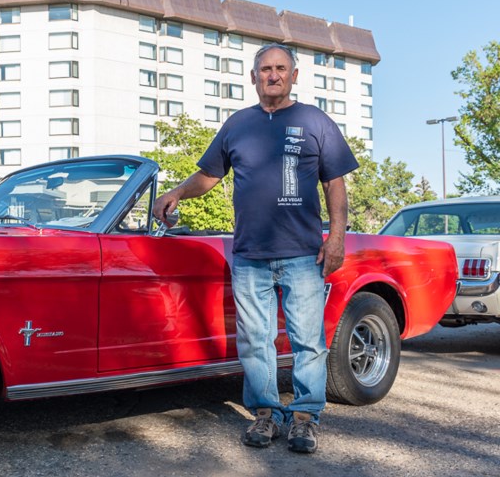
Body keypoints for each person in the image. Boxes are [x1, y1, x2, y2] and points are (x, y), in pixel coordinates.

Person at [152, 43, 359, 454]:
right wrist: (177, 192)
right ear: (253, 77)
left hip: (302, 253)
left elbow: (335, 183)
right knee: (256, 340)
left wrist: (336, 238)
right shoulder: (237, 125)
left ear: (294, 75)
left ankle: (304, 418)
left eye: (281, 68)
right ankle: (265, 414)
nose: (273, 75)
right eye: (265, 69)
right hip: (250, 255)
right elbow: (210, 175)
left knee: (308, 342)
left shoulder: (314, 121)